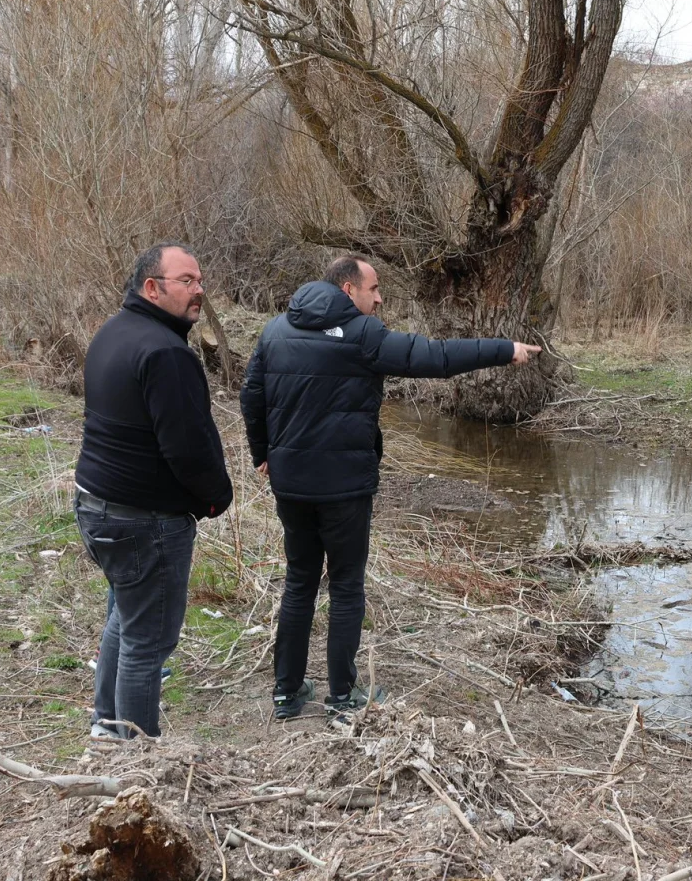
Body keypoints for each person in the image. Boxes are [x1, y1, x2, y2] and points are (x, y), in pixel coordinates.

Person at [241, 256, 540, 719]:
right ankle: (342, 696)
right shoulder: (364, 336)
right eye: (373, 289)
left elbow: (251, 394)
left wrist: (263, 451)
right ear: (347, 289)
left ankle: (286, 693)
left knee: (299, 582)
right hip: (344, 490)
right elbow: (436, 357)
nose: (379, 298)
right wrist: (504, 349)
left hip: (292, 486)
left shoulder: (276, 330)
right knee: (344, 586)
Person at [74, 243, 233, 738]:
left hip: (95, 505)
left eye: (200, 281)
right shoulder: (165, 353)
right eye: (187, 281)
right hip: (144, 521)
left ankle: (106, 726)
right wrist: (215, 498)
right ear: (152, 288)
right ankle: (137, 760)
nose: (198, 291)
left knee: (126, 616)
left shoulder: (113, 332)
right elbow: (187, 448)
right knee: (147, 642)